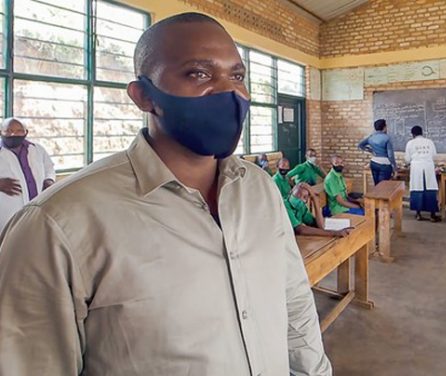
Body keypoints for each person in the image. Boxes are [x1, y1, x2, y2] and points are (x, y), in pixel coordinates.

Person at [0, 13, 331, 376]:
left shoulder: (259, 189)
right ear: (143, 96)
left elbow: (293, 302)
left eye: (237, 76)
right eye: (198, 74)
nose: (229, 92)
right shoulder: (58, 225)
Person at [0, 117, 55, 231]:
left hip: (36, 207)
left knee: (32, 239)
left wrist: (49, 180)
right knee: (7, 242)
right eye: (8, 131)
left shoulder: (37, 149)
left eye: (19, 131)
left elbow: (49, 167)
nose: (13, 134)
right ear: (1, 132)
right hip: (7, 213)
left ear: (26, 132)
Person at [286, 183, 351, 237]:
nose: (301, 199)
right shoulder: (285, 205)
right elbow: (300, 229)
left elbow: (319, 225)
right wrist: (335, 233)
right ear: (290, 192)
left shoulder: (302, 207)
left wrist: (315, 199)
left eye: (305, 197)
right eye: (298, 194)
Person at [404, 125, 440, 222]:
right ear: (421, 133)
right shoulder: (429, 142)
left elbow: (407, 159)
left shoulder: (410, 143)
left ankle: (418, 214)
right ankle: (432, 215)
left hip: (416, 168)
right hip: (428, 167)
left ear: (413, 134)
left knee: (417, 190)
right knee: (430, 190)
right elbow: (434, 155)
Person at [358, 118, 397, 185]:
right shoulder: (387, 138)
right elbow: (390, 155)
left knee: (377, 185)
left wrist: (370, 150)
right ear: (384, 127)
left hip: (374, 162)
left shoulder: (371, 137)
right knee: (383, 186)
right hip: (385, 164)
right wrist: (395, 169)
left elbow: (360, 145)